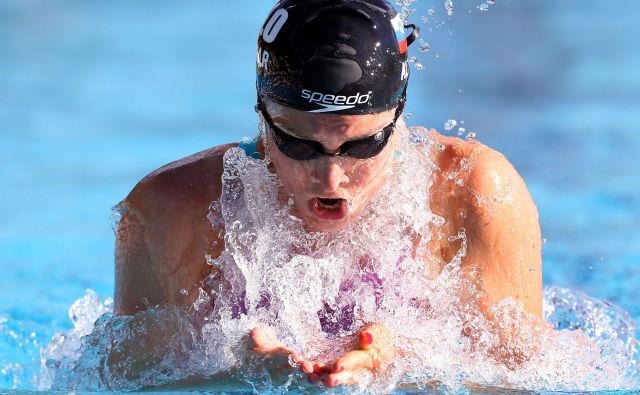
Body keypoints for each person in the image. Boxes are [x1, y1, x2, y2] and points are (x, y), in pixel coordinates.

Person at [114, 0, 544, 388]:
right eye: (299, 144)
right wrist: (237, 373)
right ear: (262, 114)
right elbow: (119, 379)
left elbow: (533, 378)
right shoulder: (171, 207)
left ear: (399, 114)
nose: (332, 178)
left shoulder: (475, 192)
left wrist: (403, 361)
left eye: (362, 145)